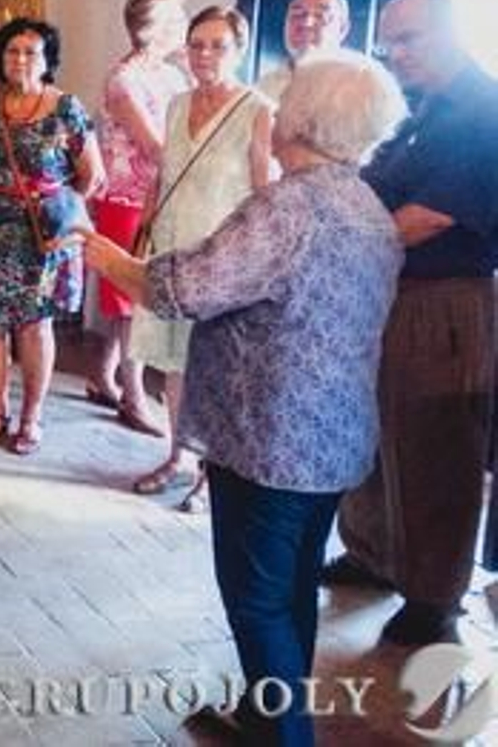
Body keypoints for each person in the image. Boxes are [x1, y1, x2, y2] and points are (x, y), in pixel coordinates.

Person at [79, 50, 407, 747]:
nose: (273, 111)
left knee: (257, 598)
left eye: (283, 102)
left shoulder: (291, 207)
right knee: (289, 591)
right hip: (332, 436)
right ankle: (267, 715)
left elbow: (184, 289)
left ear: (302, 118)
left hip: (271, 437)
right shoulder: (367, 203)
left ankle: (286, 734)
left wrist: (105, 255)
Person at [325, 0, 498, 646]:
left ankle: (434, 596)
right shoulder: (415, 108)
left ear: (453, 31)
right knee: (369, 436)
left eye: (409, 39)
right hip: (385, 291)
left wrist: (335, 248)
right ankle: (372, 552)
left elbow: (426, 218)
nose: (394, 53)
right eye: (389, 42)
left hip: (442, 300)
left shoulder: (484, 110)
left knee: (435, 449)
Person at [129, 6, 272, 512]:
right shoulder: (177, 103)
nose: (205, 55)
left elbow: (264, 192)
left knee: (214, 364)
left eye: (218, 45)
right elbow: (165, 172)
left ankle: (214, 474)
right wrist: (141, 235)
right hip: (172, 247)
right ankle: (178, 457)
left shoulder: (257, 109)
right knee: (173, 360)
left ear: (239, 51)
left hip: (220, 258)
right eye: (197, 44)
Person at [0, 18, 104, 456]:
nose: (19, 60)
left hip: (40, 236)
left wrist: (61, 216)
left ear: (47, 60)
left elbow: (92, 177)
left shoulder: (66, 109)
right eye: (12, 51)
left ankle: (31, 417)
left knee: (34, 326)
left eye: (31, 52)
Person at [87, 0, 190, 435]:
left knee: (124, 297)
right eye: (176, 17)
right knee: (129, 299)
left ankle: (102, 376)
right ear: (153, 27)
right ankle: (133, 395)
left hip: (161, 195)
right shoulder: (123, 80)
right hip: (125, 198)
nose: (183, 25)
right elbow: (152, 145)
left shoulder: (172, 76)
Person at [256, 0, 350, 103]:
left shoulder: (360, 82)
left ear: (342, 29)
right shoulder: (264, 86)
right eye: (297, 14)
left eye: (320, 15)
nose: (306, 23)